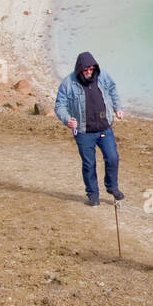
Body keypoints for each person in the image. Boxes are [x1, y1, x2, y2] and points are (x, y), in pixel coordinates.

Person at [54, 51, 124, 206]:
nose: (89, 72)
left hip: (104, 128)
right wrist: (67, 120)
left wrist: (118, 108)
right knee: (89, 164)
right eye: (86, 70)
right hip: (84, 132)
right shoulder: (68, 83)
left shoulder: (102, 75)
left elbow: (112, 89)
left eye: (91, 69)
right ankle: (93, 194)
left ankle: (112, 187)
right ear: (79, 69)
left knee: (112, 158)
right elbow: (60, 106)